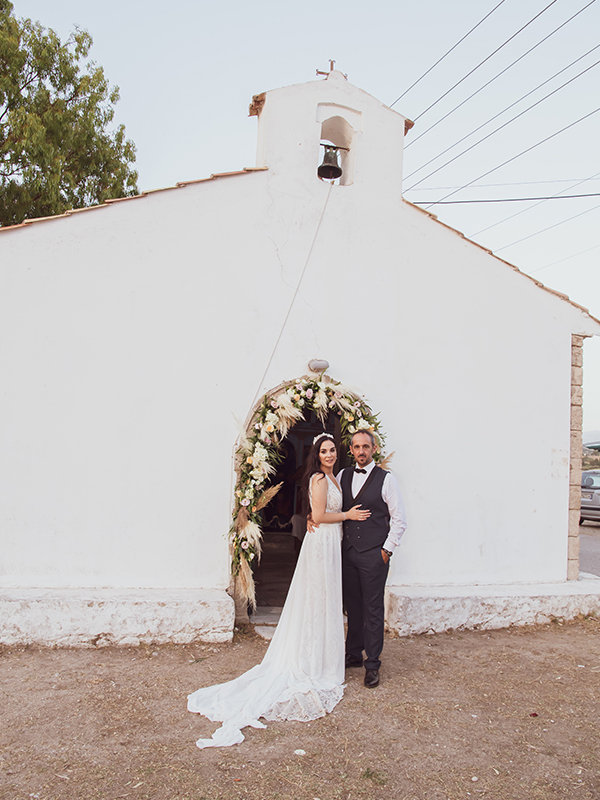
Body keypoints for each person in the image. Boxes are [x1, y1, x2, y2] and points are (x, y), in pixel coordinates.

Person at [187, 432, 370, 749]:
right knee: (317, 600)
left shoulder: (335, 477)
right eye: (324, 451)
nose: (329, 455)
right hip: (323, 542)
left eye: (332, 450)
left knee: (327, 600)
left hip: (331, 543)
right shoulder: (318, 478)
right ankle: (313, 663)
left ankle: (325, 659)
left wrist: (324, 517)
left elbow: (315, 514)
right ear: (316, 454)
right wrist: (348, 515)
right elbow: (322, 515)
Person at [309, 429, 407, 689]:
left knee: (372, 609)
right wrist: (312, 516)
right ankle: (352, 654)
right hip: (348, 553)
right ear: (350, 450)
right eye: (356, 447)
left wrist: (386, 551)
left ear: (373, 449)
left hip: (374, 554)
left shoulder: (387, 480)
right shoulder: (343, 475)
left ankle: (372, 663)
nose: (361, 451)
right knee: (352, 607)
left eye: (365, 446)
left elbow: (399, 520)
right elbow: (331, 508)